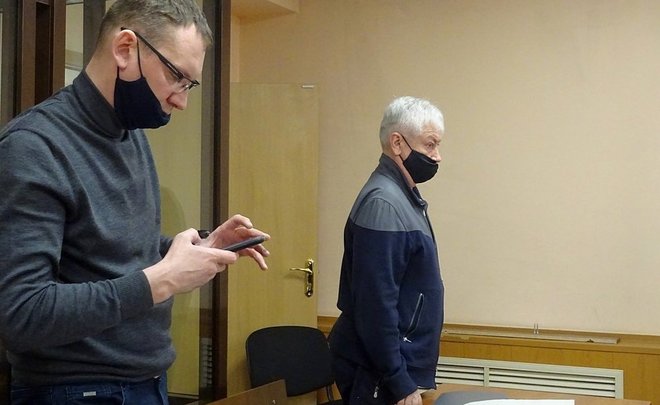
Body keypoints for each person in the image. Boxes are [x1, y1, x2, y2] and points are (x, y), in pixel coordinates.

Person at [0, 1, 269, 404]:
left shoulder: (129, 135)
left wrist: (199, 247)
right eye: (177, 77)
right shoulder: (34, 147)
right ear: (125, 49)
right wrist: (164, 279)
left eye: (189, 85)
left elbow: (114, 252)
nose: (181, 101)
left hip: (147, 381)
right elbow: (22, 313)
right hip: (76, 391)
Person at [328, 96, 445, 405]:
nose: (437, 156)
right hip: (377, 371)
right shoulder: (384, 203)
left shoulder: (402, 197)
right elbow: (375, 305)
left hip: (390, 366)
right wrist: (399, 380)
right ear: (397, 143)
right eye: (430, 145)